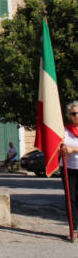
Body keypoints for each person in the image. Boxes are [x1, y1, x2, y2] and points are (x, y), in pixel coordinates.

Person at [60, 100, 78, 238]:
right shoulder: (64, 131)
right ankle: (74, 229)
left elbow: (72, 148)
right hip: (69, 168)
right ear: (69, 115)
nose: (76, 115)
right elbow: (59, 146)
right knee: (70, 199)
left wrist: (74, 149)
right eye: (74, 113)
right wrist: (63, 149)